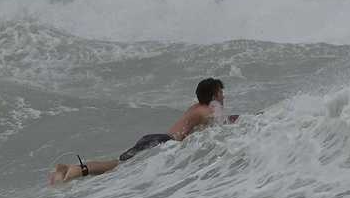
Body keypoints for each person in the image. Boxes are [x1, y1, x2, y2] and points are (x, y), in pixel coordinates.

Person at [49, 77, 238, 185]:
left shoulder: (195, 108)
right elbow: (222, 124)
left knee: (118, 164)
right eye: (221, 92)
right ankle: (73, 172)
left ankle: (71, 169)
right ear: (214, 96)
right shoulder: (209, 110)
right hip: (163, 143)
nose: (224, 96)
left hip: (155, 139)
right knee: (118, 169)